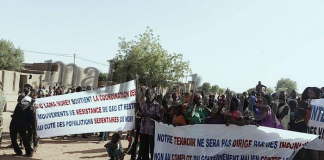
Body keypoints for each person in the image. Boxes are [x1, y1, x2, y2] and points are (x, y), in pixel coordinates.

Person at [137, 88, 163, 160]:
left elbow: (159, 118)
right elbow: (139, 114)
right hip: (143, 130)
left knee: (152, 148)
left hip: (152, 131)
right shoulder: (143, 104)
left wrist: (148, 115)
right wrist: (139, 112)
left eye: (150, 94)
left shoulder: (157, 106)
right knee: (144, 148)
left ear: (153, 95)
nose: (148, 95)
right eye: (147, 94)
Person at [10, 84, 34, 157]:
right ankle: (28, 152)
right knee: (25, 139)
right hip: (23, 125)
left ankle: (19, 152)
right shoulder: (30, 107)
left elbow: (20, 110)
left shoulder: (20, 105)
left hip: (15, 125)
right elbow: (31, 118)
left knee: (14, 138)